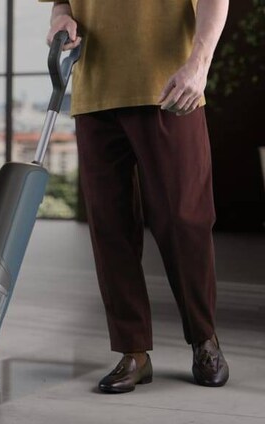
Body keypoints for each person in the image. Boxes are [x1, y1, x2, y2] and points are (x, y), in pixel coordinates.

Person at [41, 0, 230, 393]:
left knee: (184, 220)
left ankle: (204, 340)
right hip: (95, 90)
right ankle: (132, 351)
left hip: (170, 84)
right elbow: (62, 2)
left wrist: (200, 64)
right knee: (110, 226)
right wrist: (61, 18)